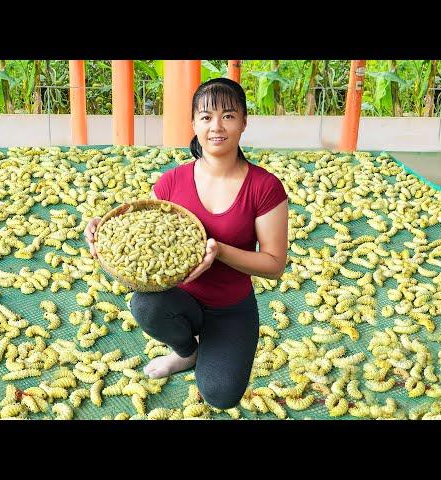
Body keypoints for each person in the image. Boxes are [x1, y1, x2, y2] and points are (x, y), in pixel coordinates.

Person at [84, 77, 288, 409]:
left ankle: (216, 347)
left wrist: (218, 250)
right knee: (146, 304)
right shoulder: (171, 182)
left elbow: (274, 264)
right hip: (179, 301)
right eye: (206, 117)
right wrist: (102, 231)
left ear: (244, 122)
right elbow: (139, 234)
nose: (216, 126)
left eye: (229, 116)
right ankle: (187, 352)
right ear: (194, 124)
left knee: (221, 395)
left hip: (231, 308)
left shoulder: (264, 187)